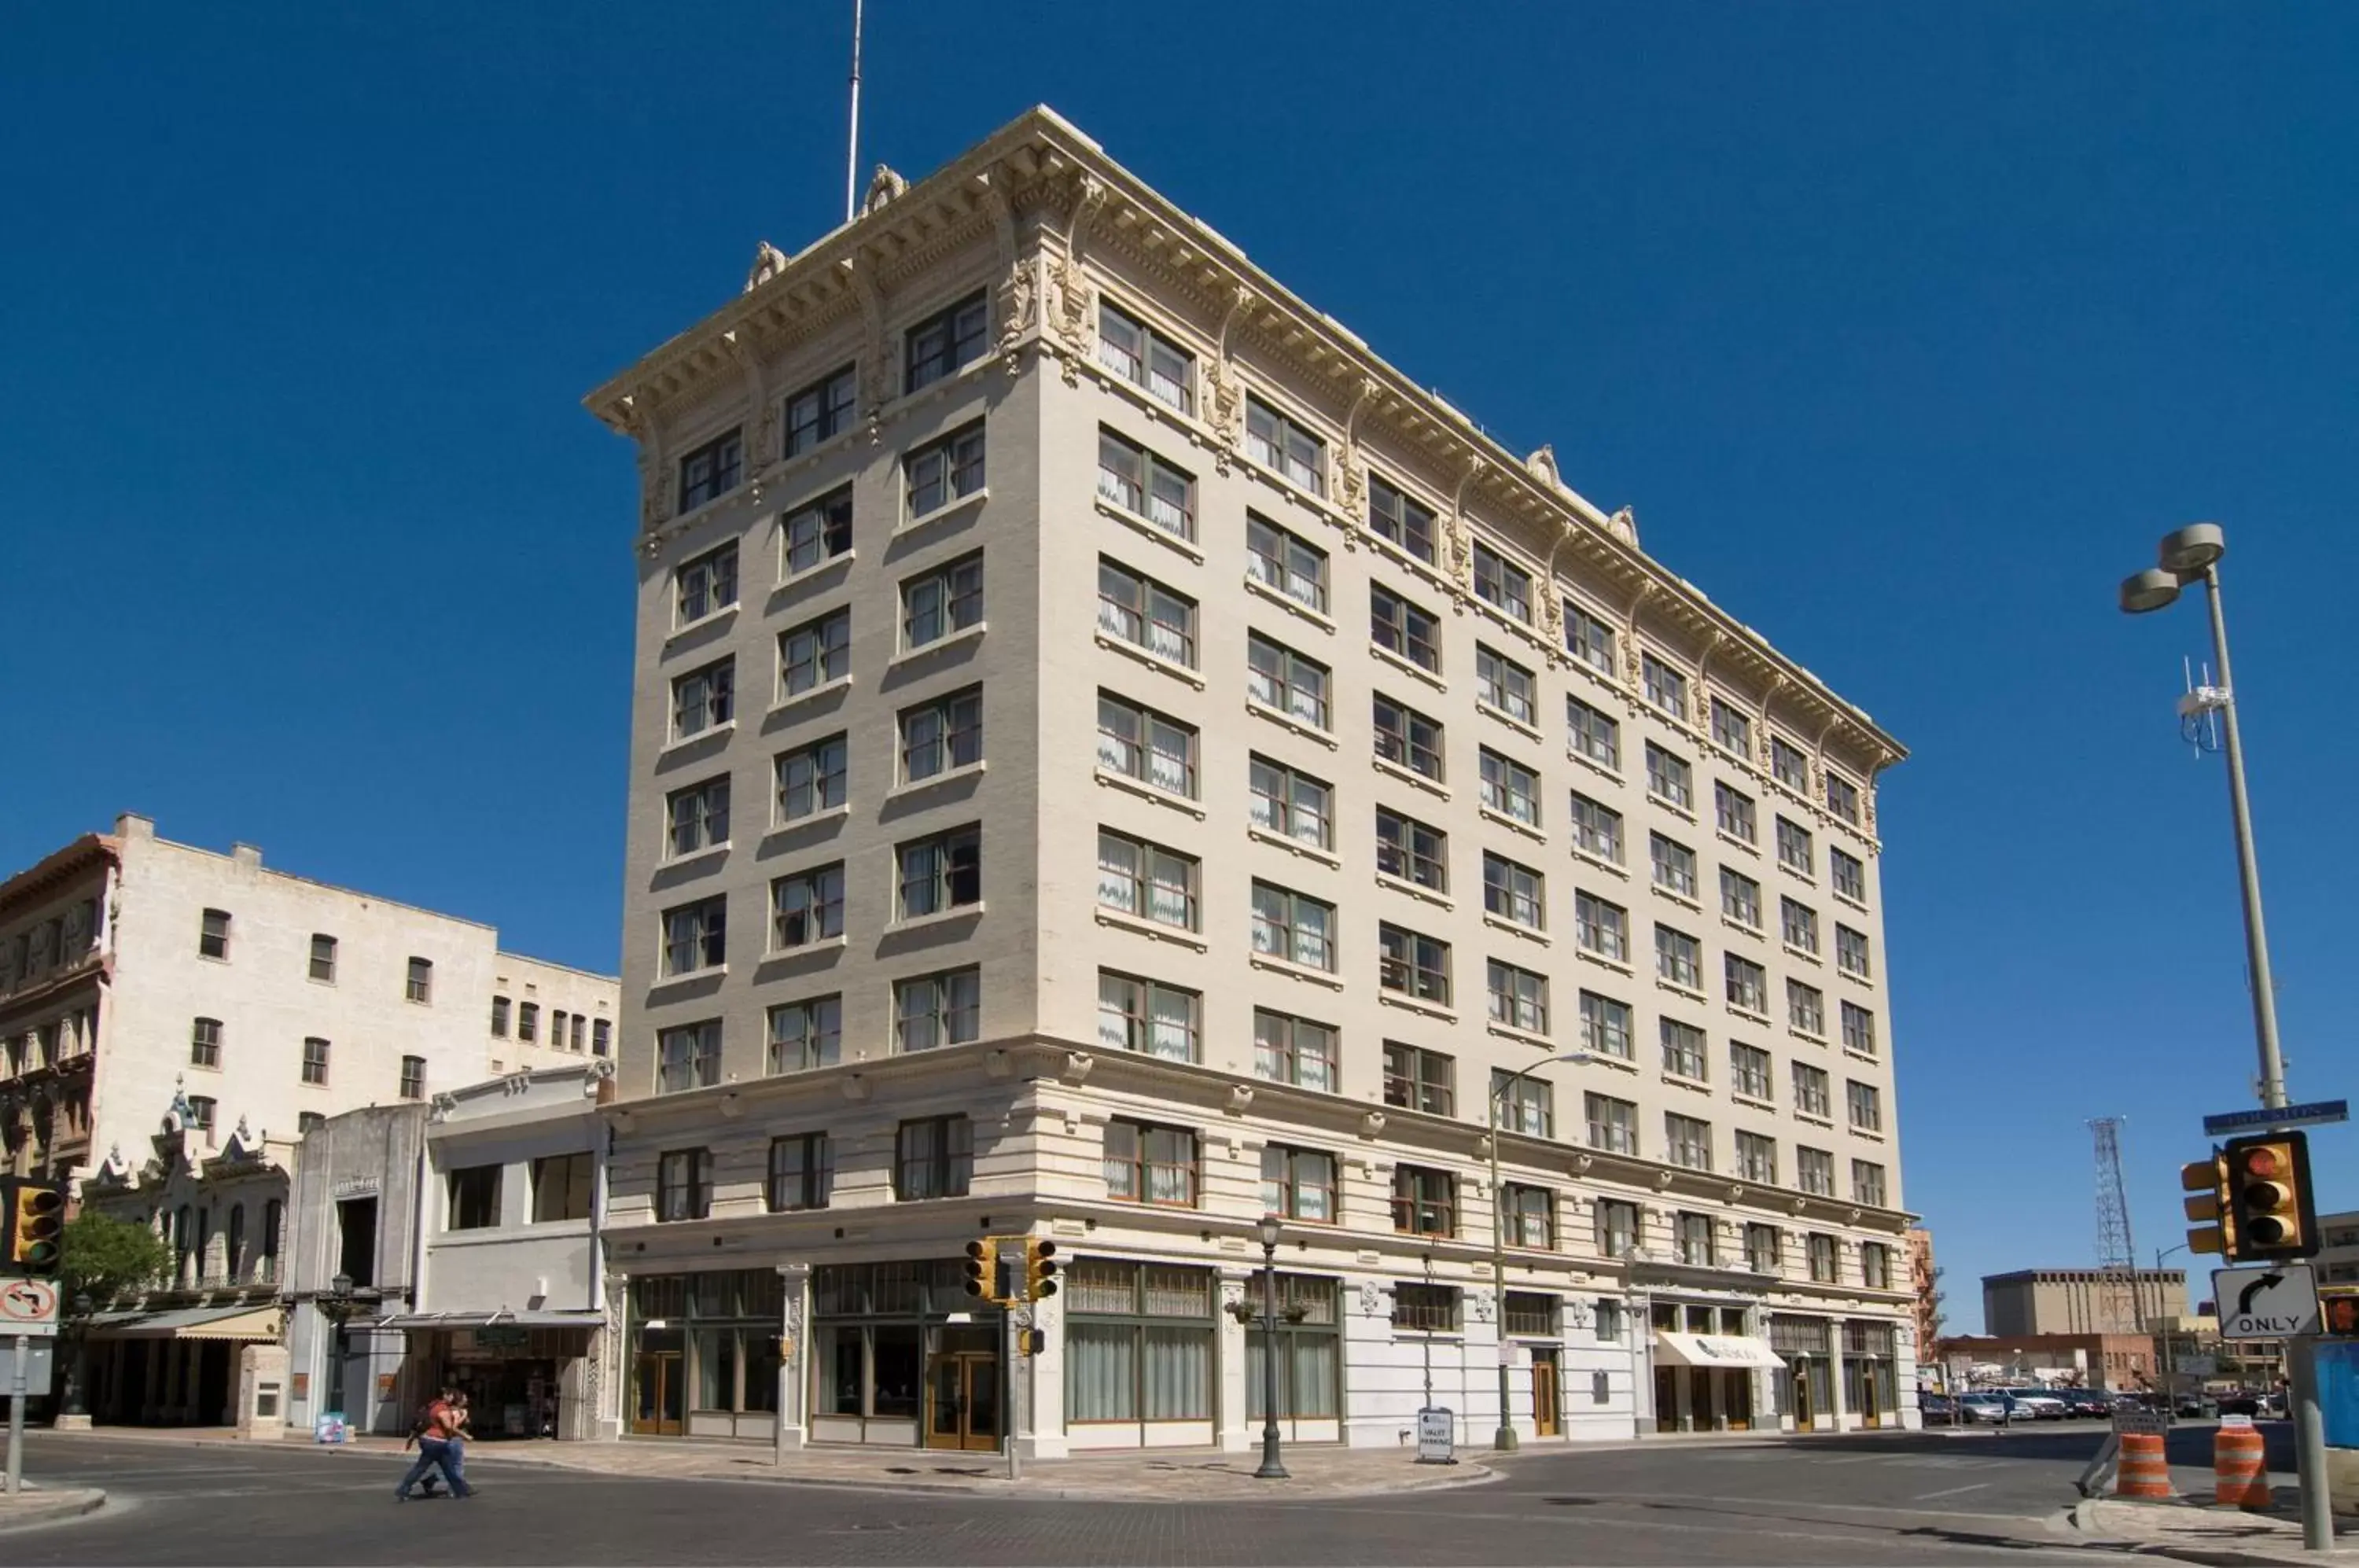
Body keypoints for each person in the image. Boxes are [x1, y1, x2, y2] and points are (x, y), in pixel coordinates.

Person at [394, 1387, 473, 1501]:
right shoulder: (442, 1409)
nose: (452, 1397)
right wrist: (465, 1435)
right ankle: (461, 1491)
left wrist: (411, 1440)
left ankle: (404, 1490)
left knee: (431, 1468)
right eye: (450, 1395)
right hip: (436, 1442)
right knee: (447, 1469)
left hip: (431, 1441)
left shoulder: (433, 1406)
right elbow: (449, 1427)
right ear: (444, 1396)